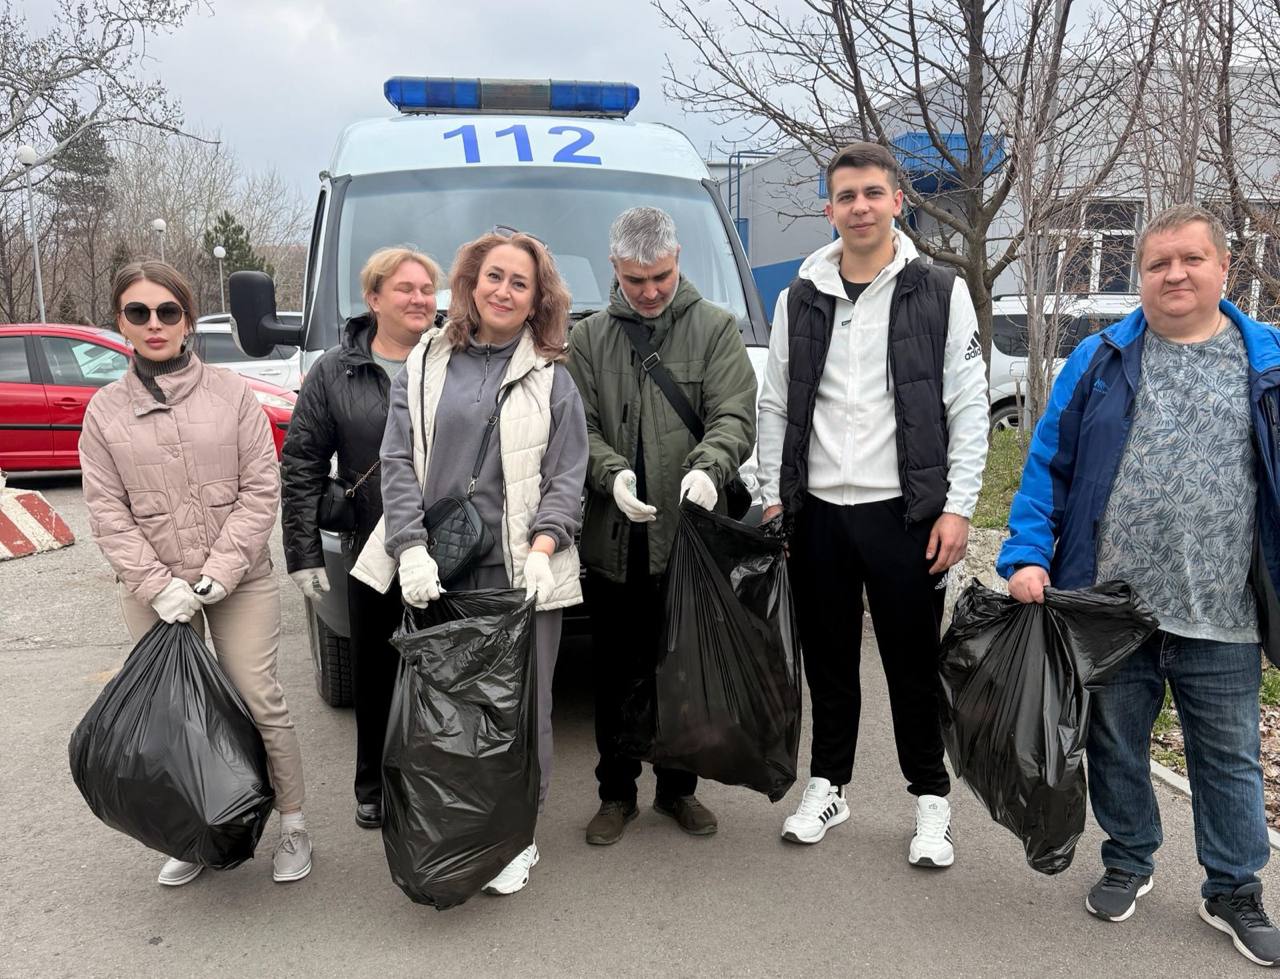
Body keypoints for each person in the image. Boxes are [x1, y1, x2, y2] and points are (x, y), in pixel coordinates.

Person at [998, 204, 1280, 965]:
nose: (1175, 274)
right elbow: (1047, 467)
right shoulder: (1099, 359)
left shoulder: (1270, 364)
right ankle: (1129, 857)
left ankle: (1232, 886)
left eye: (1191, 259)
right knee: (1114, 740)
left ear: (1226, 268)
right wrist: (1027, 553)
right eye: (1158, 263)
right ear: (1141, 276)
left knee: (1226, 756)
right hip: (1109, 607)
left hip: (1224, 609)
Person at [756, 142, 989, 866]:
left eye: (872, 193)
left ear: (896, 201)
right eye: (846, 195)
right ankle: (828, 783)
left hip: (904, 512)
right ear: (829, 210)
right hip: (820, 512)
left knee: (911, 662)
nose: (859, 206)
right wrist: (772, 496)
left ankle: (930, 801)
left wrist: (958, 505)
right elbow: (774, 403)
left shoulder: (940, 291)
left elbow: (968, 404)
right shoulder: (797, 298)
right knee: (828, 660)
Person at [352, 229, 588, 897]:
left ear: (538, 296)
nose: (505, 290)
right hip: (441, 567)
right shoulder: (425, 360)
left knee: (521, 709)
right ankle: (457, 821)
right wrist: (410, 546)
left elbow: (567, 474)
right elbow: (397, 460)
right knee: (449, 707)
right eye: (495, 277)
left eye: (521, 281)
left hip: (520, 574)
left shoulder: (553, 374)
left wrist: (546, 548)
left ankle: (518, 836)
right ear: (471, 283)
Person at [79, 261, 312, 886]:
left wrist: (221, 570)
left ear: (187, 318)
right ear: (120, 322)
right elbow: (107, 511)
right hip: (154, 589)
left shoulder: (233, 395)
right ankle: (193, 829)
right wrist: (158, 587)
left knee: (259, 698)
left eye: (167, 312)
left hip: (239, 579)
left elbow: (261, 490)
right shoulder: (103, 412)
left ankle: (292, 823)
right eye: (138, 313)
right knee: (175, 713)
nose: (154, 325)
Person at [566, 206, 757, 846]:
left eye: (662, 277)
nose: (649, 292)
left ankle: (678, 790)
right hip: (615, 541)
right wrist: (610, 475)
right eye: (635, 280)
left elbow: (734, 414)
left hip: (687, 541)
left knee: (684, 671)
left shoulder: (715, 328)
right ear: (614, 269)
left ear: (679, 263)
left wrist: (710, 466)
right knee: (616, 671)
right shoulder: (589, 340)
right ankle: (616, 793)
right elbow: (578, 430)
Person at [281, 246, 442, 831]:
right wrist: (301, 554)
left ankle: (434, 778)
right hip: (372, 549)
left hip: (451, 546)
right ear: (374, 299)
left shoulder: (456, 357)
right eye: (405, 289)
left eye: (427, 288)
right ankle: (373, 783)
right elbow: (301, 463)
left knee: (444, 669)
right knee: (376, 673)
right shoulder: (335, 371)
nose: (420, 298)